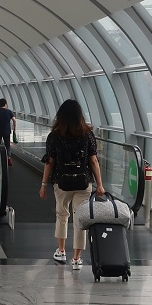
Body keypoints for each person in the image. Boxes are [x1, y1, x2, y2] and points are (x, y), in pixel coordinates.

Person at [38, 99, 105, 268]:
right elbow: (94, 161)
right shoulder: (87, 135)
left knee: (62, 215)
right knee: (79, 219)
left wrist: (44, 184)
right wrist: (100, 184)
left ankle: (61, 251)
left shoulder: (54, 136)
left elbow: (50, 162)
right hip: (83, 182)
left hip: (61, 182)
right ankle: (76, 259)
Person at [0, 97, 17, 166]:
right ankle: (8, 158)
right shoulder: (9, 111)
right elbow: (14, 120)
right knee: (7, 145)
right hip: (6, 130)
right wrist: (14, 129)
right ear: (5, 104)